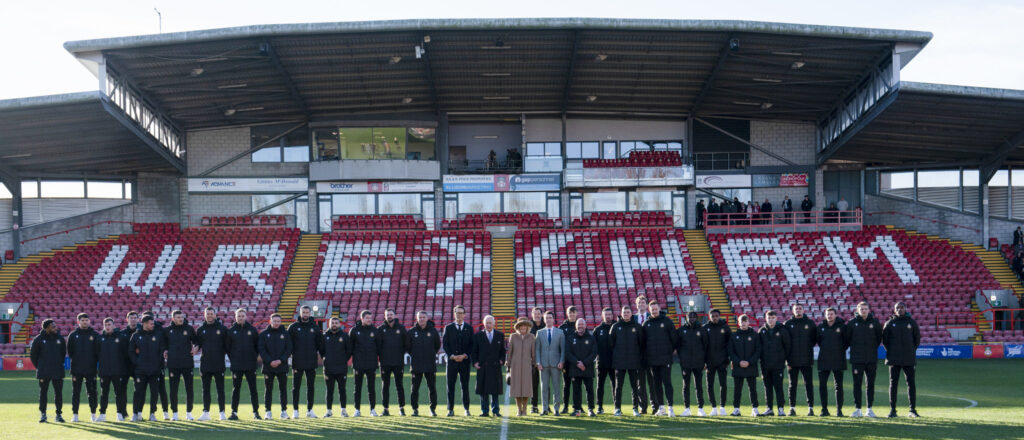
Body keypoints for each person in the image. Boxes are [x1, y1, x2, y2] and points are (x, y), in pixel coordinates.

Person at [882, 302, 921, 418]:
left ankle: (912, 410)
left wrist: (910, 350)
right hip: (894, 359)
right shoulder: (889, 323)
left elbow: (917, 340)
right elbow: (885, 341)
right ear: (894, 310)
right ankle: (893, 410)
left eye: (902, 307)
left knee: (911, 384)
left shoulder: (912, 323)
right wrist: (893, 351)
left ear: (906, 309)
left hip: (909, 358)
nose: (900, 309)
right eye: (897, 308)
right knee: (893, 384)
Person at [641, 301, 677, 416]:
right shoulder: (646, 324)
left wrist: (670, 351)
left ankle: (670, 408)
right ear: (649, 310)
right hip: (652, 360)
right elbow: (643, 342)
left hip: (665, 358)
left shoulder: (667, 321)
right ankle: (661, 408)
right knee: (656, 384)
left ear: (659, 308)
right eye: (652, 310)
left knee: (667, 382)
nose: (654, 311)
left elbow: (674, 338)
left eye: (655, 309)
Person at [847, 302, 883, 418]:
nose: (863, 310)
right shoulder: (852, 323)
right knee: (857, 384)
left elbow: (878, 339)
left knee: (870, 384)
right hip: (857, 359)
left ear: (869, 310)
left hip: (871, 359)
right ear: (857, 310)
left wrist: (871, 350)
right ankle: (858, 409)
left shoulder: (875, 323)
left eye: (865, 308)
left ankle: (869, 409)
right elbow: (847, 339)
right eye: (861, 309)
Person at [610, 306, 646, 417]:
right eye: (624, 312)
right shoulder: (615, 327)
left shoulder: (637, 327)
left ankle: (635, 408)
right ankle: (617, 408)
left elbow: (642, 344)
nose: (626, 314)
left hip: (633, 361)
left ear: (631, 314)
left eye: (628, 312)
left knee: (634, 386)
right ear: (621, 313)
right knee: (618, 386)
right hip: (619, 362)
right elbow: (611, 344)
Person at [226, 308, 260, 420]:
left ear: (246, 317)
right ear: (235, 317)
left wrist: (252, 358)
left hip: (250, 365)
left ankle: (256, 412)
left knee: (253, 389)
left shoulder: (252, 330)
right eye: (238, 316)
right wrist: (234, 359)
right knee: (236, 389)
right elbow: (228, 348)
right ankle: (234, 412)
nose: (240, 318)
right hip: (237, 366)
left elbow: (257, 347)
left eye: (242, 316)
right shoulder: (231, 331)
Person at [289, 305, 323, 419]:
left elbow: (320, 344)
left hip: (311, 361)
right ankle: (295, 411)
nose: (305, 314)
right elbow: (288, 345)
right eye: (303, 312)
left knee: (310, 386)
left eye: (307, 312)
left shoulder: (315, 327)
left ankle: (310, 410)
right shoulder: (293, 327)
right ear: (300, 313)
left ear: (310, 314)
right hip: (297, 361)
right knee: (296, 387)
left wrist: (323, 357)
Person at [129, 315, 165, 422]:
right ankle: (136, 413)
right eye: (151, 323)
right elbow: (131, 351)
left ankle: (152, 414)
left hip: (155, 369)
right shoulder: (136, 335)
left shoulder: (158, 335)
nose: (153, 325)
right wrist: (137, 362)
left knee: (154, 393)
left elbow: (162, 350)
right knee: (138, 392)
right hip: (140, 370)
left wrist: (159, 363)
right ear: (144, 324)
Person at [196, 307, 229, 421]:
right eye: (207, 314)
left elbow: (227, 346)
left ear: (215, 315)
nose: (209, 315)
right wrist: (194, 348)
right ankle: (206, 412)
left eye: (211, 313)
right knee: (205, 390)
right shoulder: (200, 329)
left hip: (219, 363)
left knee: (220, 389)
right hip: (205, 364)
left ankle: (222, 412)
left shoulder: (223, 329)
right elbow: (197, 344)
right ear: (204, 315)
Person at [164, 310, 198, 421]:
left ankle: (189, 413)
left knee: (189, 389)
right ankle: (175, 413)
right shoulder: (167, 330)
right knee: (173, 390)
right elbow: (163, 345)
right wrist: (164, 350)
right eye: (178, 317)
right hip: (173, 364)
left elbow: (196, 341)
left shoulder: (189, 329)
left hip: (187, 363)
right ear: (173, 318)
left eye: (182, 317)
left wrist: (196, 347)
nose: (180, 319)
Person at [31, 319, 66, 423]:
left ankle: (59, 415)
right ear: (46, 328)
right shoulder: (38, 339)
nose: (56, 328)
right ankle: (43, 414)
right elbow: (33, 356)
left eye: (55, 326)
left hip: (57, 370)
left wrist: (58, 363)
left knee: (58, 393)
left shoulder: (60, 338)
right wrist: (40, 366)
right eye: (53, 327)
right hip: (44, 371)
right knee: (43, 393)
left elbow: (63, 353)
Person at [785, 304, 817, 416]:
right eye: (796, 309)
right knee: (792, 385)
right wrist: (788, 358)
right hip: (792, 360)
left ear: (803, 310)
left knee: (808, 384)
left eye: (800, 308)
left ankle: (810, 408)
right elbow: (785, 342)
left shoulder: (810, 323)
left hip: (806, 359)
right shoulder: (788, 324)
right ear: (793, 311)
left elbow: (814, 340)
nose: (798, 310)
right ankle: (792, 408)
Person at [443, 305, 474, 416]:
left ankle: (466, 409)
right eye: (457, 313)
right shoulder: (448, 327)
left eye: (461, 313)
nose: (459, 315)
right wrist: (451, 356)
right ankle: (450, 409)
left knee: (465, 386)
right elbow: (445, 344)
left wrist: (465, 355)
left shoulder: (469, 328)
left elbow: (472, 345)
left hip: (465, 362)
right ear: (454, 314)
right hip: (452, 362)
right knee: (450, 386)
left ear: (464, 315)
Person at [68, 312, 100, 422]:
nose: (85, 322)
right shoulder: (73, 335)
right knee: (76, 393)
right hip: (77, 370)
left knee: (92, 392)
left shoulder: (95, 335)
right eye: (82, 320)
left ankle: (93, 415)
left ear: (89, 321)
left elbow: (98, 352)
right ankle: (75, 415)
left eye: (86, 320)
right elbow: (70, 352)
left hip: (91, 369)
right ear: (78, 322)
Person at [408, 311, 441, 417]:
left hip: (430, 364)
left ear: (427, 318)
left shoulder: (433, 331)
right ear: (417, 319)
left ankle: (432, 409)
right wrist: (415, 354)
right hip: (416, 364)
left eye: (423, 317)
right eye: (420, 317)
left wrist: (430, 354)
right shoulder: (412, 331)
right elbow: (408, 347)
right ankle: (415, 409)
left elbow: (437, 345)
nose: (422, 319)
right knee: (414, 389)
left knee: (432, 388)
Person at [471, 315, 506, 417]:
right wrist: (475, 362)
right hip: (483, 367)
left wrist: (502, 360)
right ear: (484, 324)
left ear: (494, 323)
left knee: (495, 390)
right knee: (483, 390)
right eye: (487, 323)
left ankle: (495, 411)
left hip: (495, 367)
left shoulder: (500, 335)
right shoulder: (478, 336)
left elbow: (503, 351)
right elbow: (474, 351)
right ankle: (484, 411)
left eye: (490, 323)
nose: (488, 325)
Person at [378, 308, 410, 416]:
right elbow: (378, 345)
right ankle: (385, 409)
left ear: (395, 316)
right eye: (387, 315)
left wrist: (399, 353)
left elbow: (406, 344)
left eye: (391, 314)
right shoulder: (380, 329)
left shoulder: (401, 328)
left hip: (398, 362)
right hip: (384, 363)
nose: (389, 316)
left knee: (399, 385)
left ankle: (401, 408)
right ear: (385, 316)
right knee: (385, 386)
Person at [350, 310, 382, 417]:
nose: (369, 320)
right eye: (367, 318)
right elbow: (350, 347)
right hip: (358, 364)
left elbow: (379, 348)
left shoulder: (375, 331)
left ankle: (372, 409)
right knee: (357, 388)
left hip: (371, 364)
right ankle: (357, 410)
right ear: (362, 318)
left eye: (370, 318)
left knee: (371, 388)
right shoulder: (354, 330)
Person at [817, 307, 847, 417]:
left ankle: (839, 410)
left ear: (835, 315)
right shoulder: (820, 327)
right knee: (822, 385)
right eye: (828, 314)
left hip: (838, 359)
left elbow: (846, 341)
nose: (829, 316)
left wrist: (838, 350)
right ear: (825, 315)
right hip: (824, 359)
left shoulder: (842, 326)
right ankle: (824, 409)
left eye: (831, 314)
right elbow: (819, 341)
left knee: (838, 386)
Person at [97, 317, 129, 422]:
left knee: (119, 393)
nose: (107, 327)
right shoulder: (100, 338)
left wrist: (123, 369)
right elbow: (96, 354)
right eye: (105, 325)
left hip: (118, 371)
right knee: (103, 393)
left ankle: (120, 414)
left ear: (113, 325)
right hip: (104, 371)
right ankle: (102, 414)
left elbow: (126, 355)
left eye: (109, 325)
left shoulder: (121, 337)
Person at [758, 310, 790, 417]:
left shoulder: (782, 330)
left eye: (773, 318)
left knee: (778, 387)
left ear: (776, 319)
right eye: (769, 318)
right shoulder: (761, 331)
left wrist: (784, 359)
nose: (771, 320)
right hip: (765, 365)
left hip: (778, 364)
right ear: (766, 319)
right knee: (767, 387)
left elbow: (787, 346)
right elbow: (758, 348)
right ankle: (769, 409)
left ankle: (781, 409)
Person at [676, 311, 707, 417]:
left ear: (697, 318)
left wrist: (704, 361)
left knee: (698, 386)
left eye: (694, 317)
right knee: (686, 386)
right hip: (686, 363)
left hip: (698, 362)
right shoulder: (681, 330)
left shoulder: (702, 330)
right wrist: (682, 359)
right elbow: (678, 346)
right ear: (686, 317)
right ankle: (687, 408)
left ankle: (700, 408)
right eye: (690, 317)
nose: (692, 319)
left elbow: (705, 346)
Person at [260, 313, 291, 420]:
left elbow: (289, 349)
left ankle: (284, 411)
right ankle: (268, 412)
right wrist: (270, 361)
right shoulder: (264, 334)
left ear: (280, 322)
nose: (276, 323)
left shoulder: (286, 334)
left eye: (278, 321)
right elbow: (262, 350)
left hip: (282, 366)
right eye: (274, 321)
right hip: (268, 366)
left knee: (283, 389)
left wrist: (280, 360)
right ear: (270, 321)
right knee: (268, 389)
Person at [729, 314, 760, 417]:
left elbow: (758, 351)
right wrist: (738, 362)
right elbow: (731, 352)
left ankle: (755, 409)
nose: (743, 323)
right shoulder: (734, 335)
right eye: (741, 321)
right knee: (737, 389)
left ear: (748, 322)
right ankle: (736, 409)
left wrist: (749, 362)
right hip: (738, 366)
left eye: (745, 321)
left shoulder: (755, 335)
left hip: (751, 366)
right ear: (738, 323)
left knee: (753, 389)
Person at [535, 311, 565, 415]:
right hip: (543, 365)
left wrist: (561, 361)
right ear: (544, 320)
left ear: (553, 319)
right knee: (544, 388)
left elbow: (563, 349)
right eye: (546, 318)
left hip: (556, 364)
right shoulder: (539, 332)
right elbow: (537, 349)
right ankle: (545, 409)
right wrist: (538, 362)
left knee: (557, 387)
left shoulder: (560, 332)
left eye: (550, 318)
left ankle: (556, 409)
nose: (548, 319)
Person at [321, 316, 352, 418]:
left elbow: (349, 351)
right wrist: (327, 359)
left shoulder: (344, 336)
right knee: (329, 390)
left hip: (341, 368)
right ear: (329, 324)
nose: (334, 325)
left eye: (336, 323)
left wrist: (343, 360)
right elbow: (321, 351)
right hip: (328, 368)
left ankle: (343, 410)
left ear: (339, 324)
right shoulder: (324, 336)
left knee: (342, 389)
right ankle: (329, 411)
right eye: (332, 323)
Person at [566, 318, 597, 417]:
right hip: (575, 368)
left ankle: (590, 409)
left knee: (589, 389)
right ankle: (577, 409)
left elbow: (594, 353)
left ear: (585, 325)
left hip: (588, 368)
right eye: (578, 324)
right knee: (576, 390)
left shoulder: (591, 338)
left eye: (582, 324)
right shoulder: (570, 338)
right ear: (576, 326)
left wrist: (584, 363)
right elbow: (568, 353)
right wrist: (577, 363)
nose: (580, 326)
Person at [704, 308, 731, 416]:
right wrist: (704, 361)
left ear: (719, 316)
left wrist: (728, 358)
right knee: (709, 385)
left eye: (716, 316)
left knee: (723, 384)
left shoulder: (725, 327)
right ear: (709, 317)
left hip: (722, 361)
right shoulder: (706, 328)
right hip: (709, 362)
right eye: (713, 316)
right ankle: (714, 407)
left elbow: (730, 344)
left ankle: (722, 407)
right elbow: (703, 345)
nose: (715, 318)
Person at [507, 318, 536, 416]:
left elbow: (534, 353)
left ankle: (525, 409)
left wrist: (534, 364)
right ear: (518, 327)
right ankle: (519, 409)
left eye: (525, 325)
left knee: (526, 388)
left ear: (527, 327)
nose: (523, 327)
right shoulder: (513, 336)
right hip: (515, 366)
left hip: (527, 366)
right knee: (516, 389)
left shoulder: (532, 337)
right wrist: (508, 365)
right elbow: (510, 352)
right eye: (521, 325)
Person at [632, 297, 653, 413]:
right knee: (640, 383)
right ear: (636, 305)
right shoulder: (632, 318)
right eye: (639, 302)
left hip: (650, 355)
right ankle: (643, 407)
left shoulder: (651, 317)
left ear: (646, 305)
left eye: (643, 302)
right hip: (637, 356)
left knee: (652, 382)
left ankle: (655, 406)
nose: (641, 304)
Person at [593, 307, 616, 415]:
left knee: (616, 386)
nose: (607, 316)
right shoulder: (597, 330)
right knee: (600, 386)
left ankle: (617, 406)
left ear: (612, 315)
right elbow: (593, 347)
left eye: (609, 314)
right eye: (605, 315)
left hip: (615, 363)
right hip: (601, 363)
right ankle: (600, 407)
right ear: (602, 316)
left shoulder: (617, 327)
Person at [558, 306, 579, 413]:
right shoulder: (562, 327)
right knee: (566, 385)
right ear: (567, 314)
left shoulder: (579, 326)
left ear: (576, 314)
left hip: (577, 361)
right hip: (566, 361)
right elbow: (559, 345)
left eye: (573, 313)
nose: (572, 314)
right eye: (570, 313)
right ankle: (565, 406)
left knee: (577, 384)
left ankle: (577, 406)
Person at [528, 307, 545, 413]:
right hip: (532, 360)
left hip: (545, 358)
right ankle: (534, 406)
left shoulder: (546, 325)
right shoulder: (529, 326)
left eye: (539, 313)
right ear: (532, 314)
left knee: (545, 384)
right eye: (535, 313)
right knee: (533, 384)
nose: (537, 315)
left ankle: (546, 405)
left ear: (541, 314)